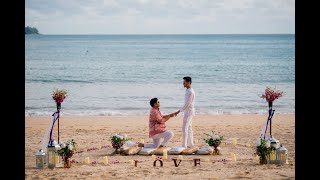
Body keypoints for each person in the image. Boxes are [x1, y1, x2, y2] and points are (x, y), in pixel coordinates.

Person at [176, 76, 196, 148]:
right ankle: (190, 144)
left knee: (185, 128)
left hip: (189, 112)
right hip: (188, 111)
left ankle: (184, 145)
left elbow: (188, 104)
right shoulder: (188, 91)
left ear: (188, 82)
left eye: (184, 82)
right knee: (189, 127)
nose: (183, 84)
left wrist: (179, 111)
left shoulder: (191, 92)